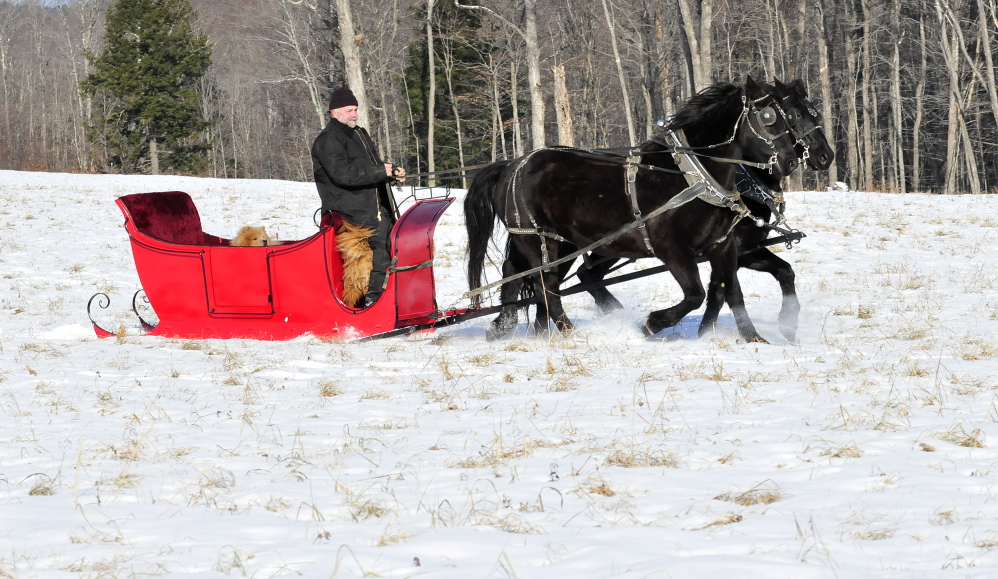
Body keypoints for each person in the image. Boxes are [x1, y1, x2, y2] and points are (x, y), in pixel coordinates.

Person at [311, 87, 406, 308]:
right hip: (350, 212)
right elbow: (343, 174)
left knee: (396, 246)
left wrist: (391, 173)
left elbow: (371, 167)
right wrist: (381, 171)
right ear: (335, 112)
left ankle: (393, 300)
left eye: (355, 109)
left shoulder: (358, 134)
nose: (354, 114)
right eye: (349, 110)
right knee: (383, 250)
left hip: (373, 208)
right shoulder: (328, 140)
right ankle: (373, 303)